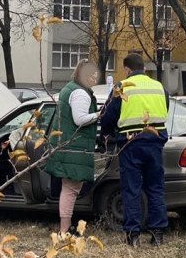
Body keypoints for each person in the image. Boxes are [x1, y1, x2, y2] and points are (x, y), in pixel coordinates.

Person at [101, 53, 170, 247]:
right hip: (155, 142)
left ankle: (133, 235)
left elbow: (108, 115)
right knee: (156, 188)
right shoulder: (159, 87)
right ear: (144, 68)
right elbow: (165, 110)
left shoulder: (122, 87)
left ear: (127, 70)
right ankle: (157, 233)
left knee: (131, 189)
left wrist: (106, 134)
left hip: (130, 143)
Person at [45, 60, 100, 237]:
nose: (94, 77)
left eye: (95, 74)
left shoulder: (70, 88)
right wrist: (100, 114)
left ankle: (65, 228)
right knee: (71, 189)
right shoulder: (80, 93)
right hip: (74, 147)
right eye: (90, 74)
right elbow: (80, 119)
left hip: (68, 146)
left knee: (69, 188)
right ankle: (64, 230)